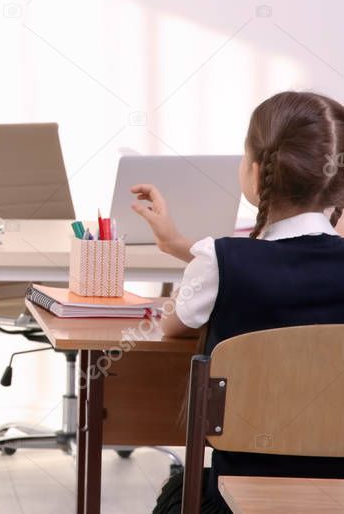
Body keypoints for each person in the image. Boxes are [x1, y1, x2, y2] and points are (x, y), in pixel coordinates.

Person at [132, 91, 344, 513]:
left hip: (233, 497)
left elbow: (174, 323)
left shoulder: (220, 260)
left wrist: (196, 258)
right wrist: (181, 246)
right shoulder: (218, 259)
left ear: (255, 170)